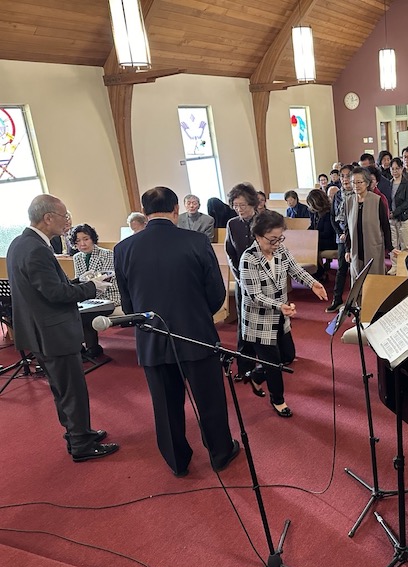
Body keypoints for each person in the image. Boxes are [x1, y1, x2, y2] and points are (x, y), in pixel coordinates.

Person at [115, 186, 239, 477]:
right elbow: (216, 293)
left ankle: (176, 460)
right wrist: (197, 316)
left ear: (144, 212)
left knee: (165, 404)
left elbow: (127, 303)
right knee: (209, 400)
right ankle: (220, 453)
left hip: (151, 337)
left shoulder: (123, 249)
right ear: (176, 210)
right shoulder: (196, 241)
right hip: (196, 333)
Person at [7, 194, 118, 461]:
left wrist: (80, 281)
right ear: (48, 218)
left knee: (62, 388)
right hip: (52, 332)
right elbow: (56, 294)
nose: (67, 221)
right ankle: (81, 444)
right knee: (72, 390)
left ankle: (78, 433)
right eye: (64, 215)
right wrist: (92, 288)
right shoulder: (36, 249)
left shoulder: (20, 243)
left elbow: (45, 286)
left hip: (39, 330)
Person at [239, 210, 328, 417]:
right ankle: (278, 400)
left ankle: (255, 375)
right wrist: (279, 305)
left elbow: (295, 269)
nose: (277, 243)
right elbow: (254, 295)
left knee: (287, 356)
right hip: (259, 319)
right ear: (258, 236)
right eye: (272, 239)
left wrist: (312, 283)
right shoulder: (249, 259)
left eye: (280, 238)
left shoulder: (280, 250)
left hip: (280, 313)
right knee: (273, 364)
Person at [71, 223, 122, 358]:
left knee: (85, 313)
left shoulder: (107, 254)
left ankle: (92, 347)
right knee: (74, 310)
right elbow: (80, 280)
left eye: (86, 239)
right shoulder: (77, 257)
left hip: (109, 296)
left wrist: (85, 293)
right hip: (88, 296)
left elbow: (105, 281)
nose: (82, 244)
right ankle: (81, 347)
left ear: (93, 238)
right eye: (78, 241)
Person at [225, 182, 260, 380]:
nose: (239, 209)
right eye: (235, 205)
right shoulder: (232, 224)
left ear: (253, 203)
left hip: (264, 280)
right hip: (242, 281)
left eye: (243, 205)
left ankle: (275, 359)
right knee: (244, 322)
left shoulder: (265, 221)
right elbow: (230, 253)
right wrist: (239, 277)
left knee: (268, 321)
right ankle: (245, 366)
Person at [344, 166, 392, 279]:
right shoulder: (349, 201)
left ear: (367, 183)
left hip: (373, 247)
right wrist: (347, 249)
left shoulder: (377, 200)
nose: (356, 185)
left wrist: (390, 247)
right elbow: (347, 228)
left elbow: (385, 225)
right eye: (353, 182)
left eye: (359, 182)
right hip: (356, 247)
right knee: (357, 279)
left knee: (374, 279)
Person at [327, 165, 354, 313]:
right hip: (342, 236)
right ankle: (337, 299)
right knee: (342, 268)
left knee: (356, 268)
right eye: (342, 176)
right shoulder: (337, 195)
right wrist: (340, 233)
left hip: (355, 235)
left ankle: (357, 301)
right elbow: (333, 217)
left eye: (347, 176)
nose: (345, 179)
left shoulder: (357, 194)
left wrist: (348, 233)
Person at [387, 157, 408, 276]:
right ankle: (394, 266)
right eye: (392, 169)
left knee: (405, 245)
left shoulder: (407, 184)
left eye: (397, 168)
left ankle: (405, 266)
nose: (395, 171)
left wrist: (395, 212)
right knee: (393, 244)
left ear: (402, 169)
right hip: (391, 219)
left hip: (404, 217)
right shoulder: (389, 183)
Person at [306, 188, 337, 280]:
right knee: (307, 244)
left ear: (316, 203)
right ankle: (317, 271)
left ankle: (318, 272)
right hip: (319, 239)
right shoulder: (315, 213)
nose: (310, 206)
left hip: (330, 241)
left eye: (311, 204)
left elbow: (327, 233)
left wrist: (313, 235)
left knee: (312, 245)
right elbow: (313, 226)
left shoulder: (328, 213)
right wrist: (306, 233)